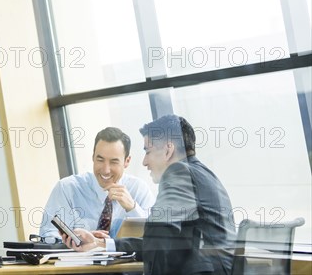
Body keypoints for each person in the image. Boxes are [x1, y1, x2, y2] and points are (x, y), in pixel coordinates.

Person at [65, 115, 236, 275]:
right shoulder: (201, 173)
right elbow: (162, 241)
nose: (144, 161)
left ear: (168, 150)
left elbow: (157, 236)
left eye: (148, 151)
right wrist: (101, 244)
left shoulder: (179, 172)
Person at [40, 127, 155, 239]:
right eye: (100, 160)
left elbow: (154, 238)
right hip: (80, 258)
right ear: (93, 157)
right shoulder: (67, 188)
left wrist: (132, 208)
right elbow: (48, 235)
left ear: (126, 161)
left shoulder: (139, 190)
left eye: (114, 162)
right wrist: (79, 240)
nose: (105, 170)